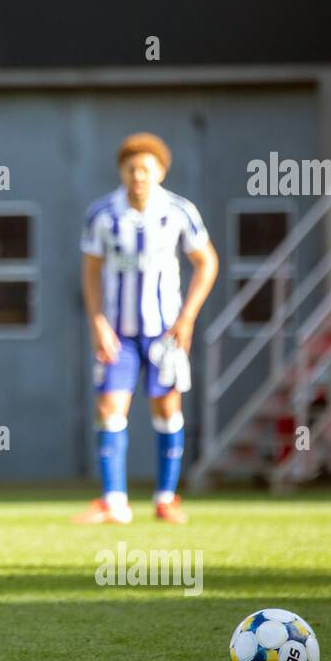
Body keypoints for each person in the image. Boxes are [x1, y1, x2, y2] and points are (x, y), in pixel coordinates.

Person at [75, 132, 219, 525]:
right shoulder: (103, 214)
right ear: (121, 170)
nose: (138, 175)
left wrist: (187, 316)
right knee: (109, 407)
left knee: (167, 407)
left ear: (160, 171)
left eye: (145, 168)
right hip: (118, 331)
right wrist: (97, 321)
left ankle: (165, 498)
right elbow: (90, 271)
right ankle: (114, 501)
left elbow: (206, 262)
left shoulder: (179, 211)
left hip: (164, 332)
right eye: (131, 168)